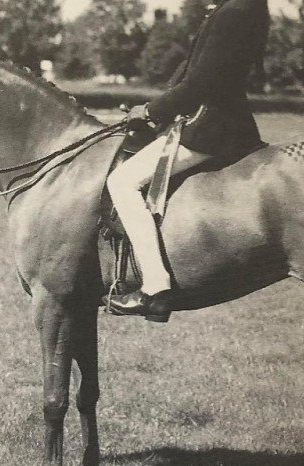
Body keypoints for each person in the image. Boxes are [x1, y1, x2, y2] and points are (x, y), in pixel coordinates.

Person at [103, 0, 270, 321]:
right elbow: (191, 76)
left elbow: (200, 84)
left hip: (212, 128)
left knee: (122, 182)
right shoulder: (239, 9)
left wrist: (151, 111)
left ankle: (154, 287)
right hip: (214, 121)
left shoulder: (233, 12)